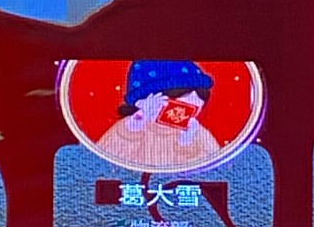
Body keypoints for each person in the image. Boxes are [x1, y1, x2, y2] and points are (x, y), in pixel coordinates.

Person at [94, 60, 222, 170]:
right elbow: (101, 166)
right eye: (178, 107)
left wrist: (186, 145)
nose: (183, 116)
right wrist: (132, 130)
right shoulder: (128, 127)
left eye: (193, 110)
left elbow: (216, 171)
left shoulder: (197, 133)